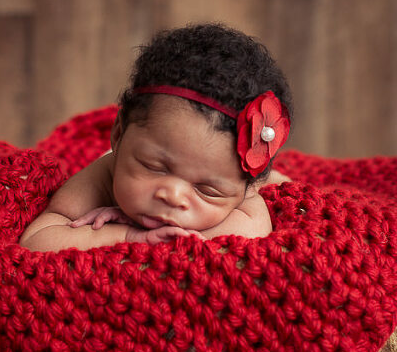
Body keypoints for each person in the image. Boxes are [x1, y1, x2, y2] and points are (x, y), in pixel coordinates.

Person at [20, 23, 292, 252]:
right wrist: (126, 236)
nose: (173, 196)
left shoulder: (242, 191)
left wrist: (171, 239)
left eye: (207, 190)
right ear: (119, 135)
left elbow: (252, 234)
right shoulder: (103, 175)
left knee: (282, 184)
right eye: (154, 167)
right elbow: (37, 240)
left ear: (247, 189)